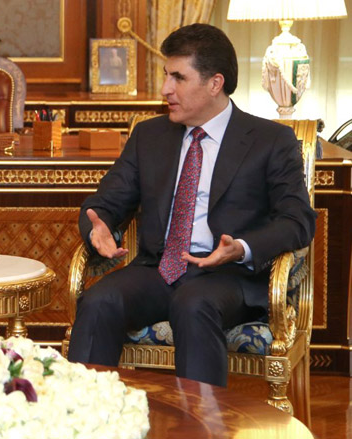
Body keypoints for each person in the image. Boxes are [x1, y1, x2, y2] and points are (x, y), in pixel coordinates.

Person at [67, 23, 316, 387]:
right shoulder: (148, 136)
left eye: (178, 78)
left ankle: (201, 427)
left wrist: (241, 249)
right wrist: (99, 226)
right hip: (158, 269)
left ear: (215, 83)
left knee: (194, 303)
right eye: (166, 76)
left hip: (227, 277)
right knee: (100, 299)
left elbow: (297, 220)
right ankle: (85, 419)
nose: (166, 89)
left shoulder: (270, 140)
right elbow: (106, 202)